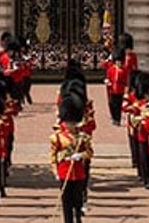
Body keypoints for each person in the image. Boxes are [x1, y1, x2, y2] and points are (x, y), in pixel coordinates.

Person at [51, 92, 91, 223]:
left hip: (78, 171)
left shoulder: (82, 137)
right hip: (64, 170)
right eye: (69, 122)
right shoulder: (57, 137)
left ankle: (78, 218)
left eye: (73, 122)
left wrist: (81, 155)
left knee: (77, 199)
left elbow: (90, 152)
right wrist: (55, 171)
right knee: (66, 200)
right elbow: (53, 155)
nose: (71, 125)